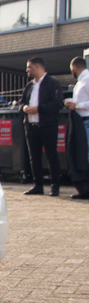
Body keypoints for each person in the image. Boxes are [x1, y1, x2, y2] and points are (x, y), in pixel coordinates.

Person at [19, 57, 63, 196]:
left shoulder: (53, 83)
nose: (27, 70)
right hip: (31, 127)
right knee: (34, 157)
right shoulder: (29, 86)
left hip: (47, 126)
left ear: (37, 67)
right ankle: (38, 185)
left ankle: (55, 186)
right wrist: (24, 107)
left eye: (29, 67)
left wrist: (39, 109)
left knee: (51, 156)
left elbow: (57, 104)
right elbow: (21, 103)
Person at [64, 57, 89, 199]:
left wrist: (77, 105)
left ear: (74, 67)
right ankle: (85, 189)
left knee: (86, 156)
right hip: (80, 122)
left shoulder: (87, 79)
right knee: (82, 156)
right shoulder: (80, 82)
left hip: (86, 121)